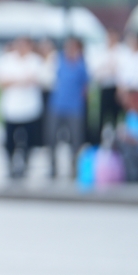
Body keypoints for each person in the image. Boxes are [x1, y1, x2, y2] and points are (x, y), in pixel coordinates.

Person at [0, 37, 45, 179]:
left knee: (29, 141)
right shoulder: (6, 60)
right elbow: (0, 81)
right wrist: (22, 80)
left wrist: (15, 80)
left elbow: (37, 79)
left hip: (30, 108)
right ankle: (11, 165)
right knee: (9, 141)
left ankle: (25, 164)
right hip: (11, 108)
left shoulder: (35, 60)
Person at [46, 37, 90, 179]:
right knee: (51, 137)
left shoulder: (82, 64)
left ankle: (74, 167)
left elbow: (86, 86)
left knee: (75, 140)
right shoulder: (58, 60)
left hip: (75, 107)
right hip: (57, 106)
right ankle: (53, 167)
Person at [89, 29, 126, 141]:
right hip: (105, 87)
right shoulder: (101, 52)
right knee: (102, 117)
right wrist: (108, 69)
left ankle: (117, 142)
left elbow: (121, 70)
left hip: (118, 89)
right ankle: (99, 143)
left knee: (117, 118)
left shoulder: (122, 51)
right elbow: (96, 72)